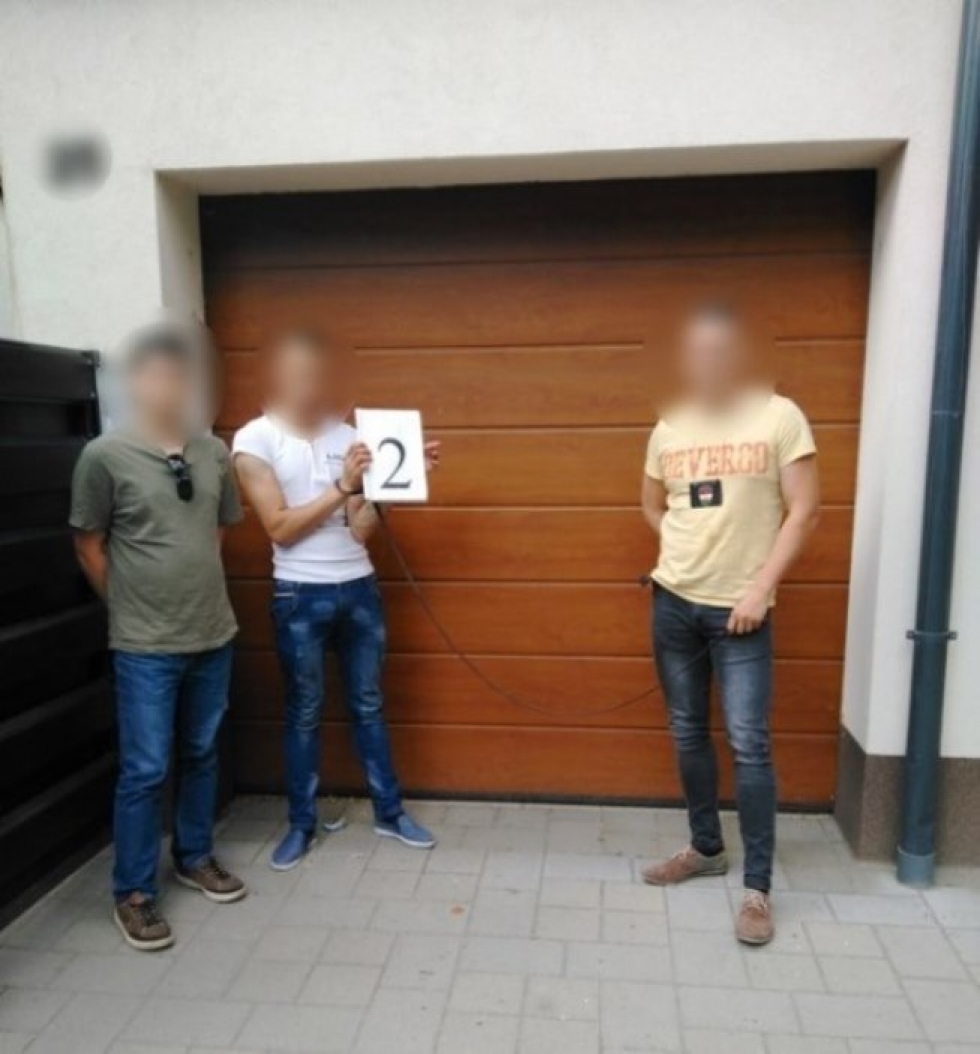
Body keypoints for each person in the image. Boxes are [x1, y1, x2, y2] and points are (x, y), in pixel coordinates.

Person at [639, 303, 820, 945]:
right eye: (697, 351)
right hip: (673, 604)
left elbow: (805, 510)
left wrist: (760, 588)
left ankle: (757, 890)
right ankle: (706, 848)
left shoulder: (779, 416)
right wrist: (680, 552)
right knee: (687, 730)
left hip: (743, 612)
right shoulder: (669, 426)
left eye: (720, 350)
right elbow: (652, 503)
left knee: (749, 743)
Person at [232, 331, 440, 871]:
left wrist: (394, 484)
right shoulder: (254, 439)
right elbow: (279, 528)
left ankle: (390, 813)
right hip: (299, 594)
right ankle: (302, 825)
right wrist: (343, 487)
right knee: (304, 711)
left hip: (359, 589)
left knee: (368, 703)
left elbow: (359, 530)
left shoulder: (349, 436)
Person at [70, 325, 247, 953]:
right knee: (145, 770)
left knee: (201, 753)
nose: (169, 387)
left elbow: (217, 531)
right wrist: (127, 606)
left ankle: (194, 856)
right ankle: (134, 893)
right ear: (136, 383)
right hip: (144, 646)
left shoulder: (213, 453)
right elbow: (88, 543)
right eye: (156, 375)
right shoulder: (104, 456)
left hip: (212, 633)